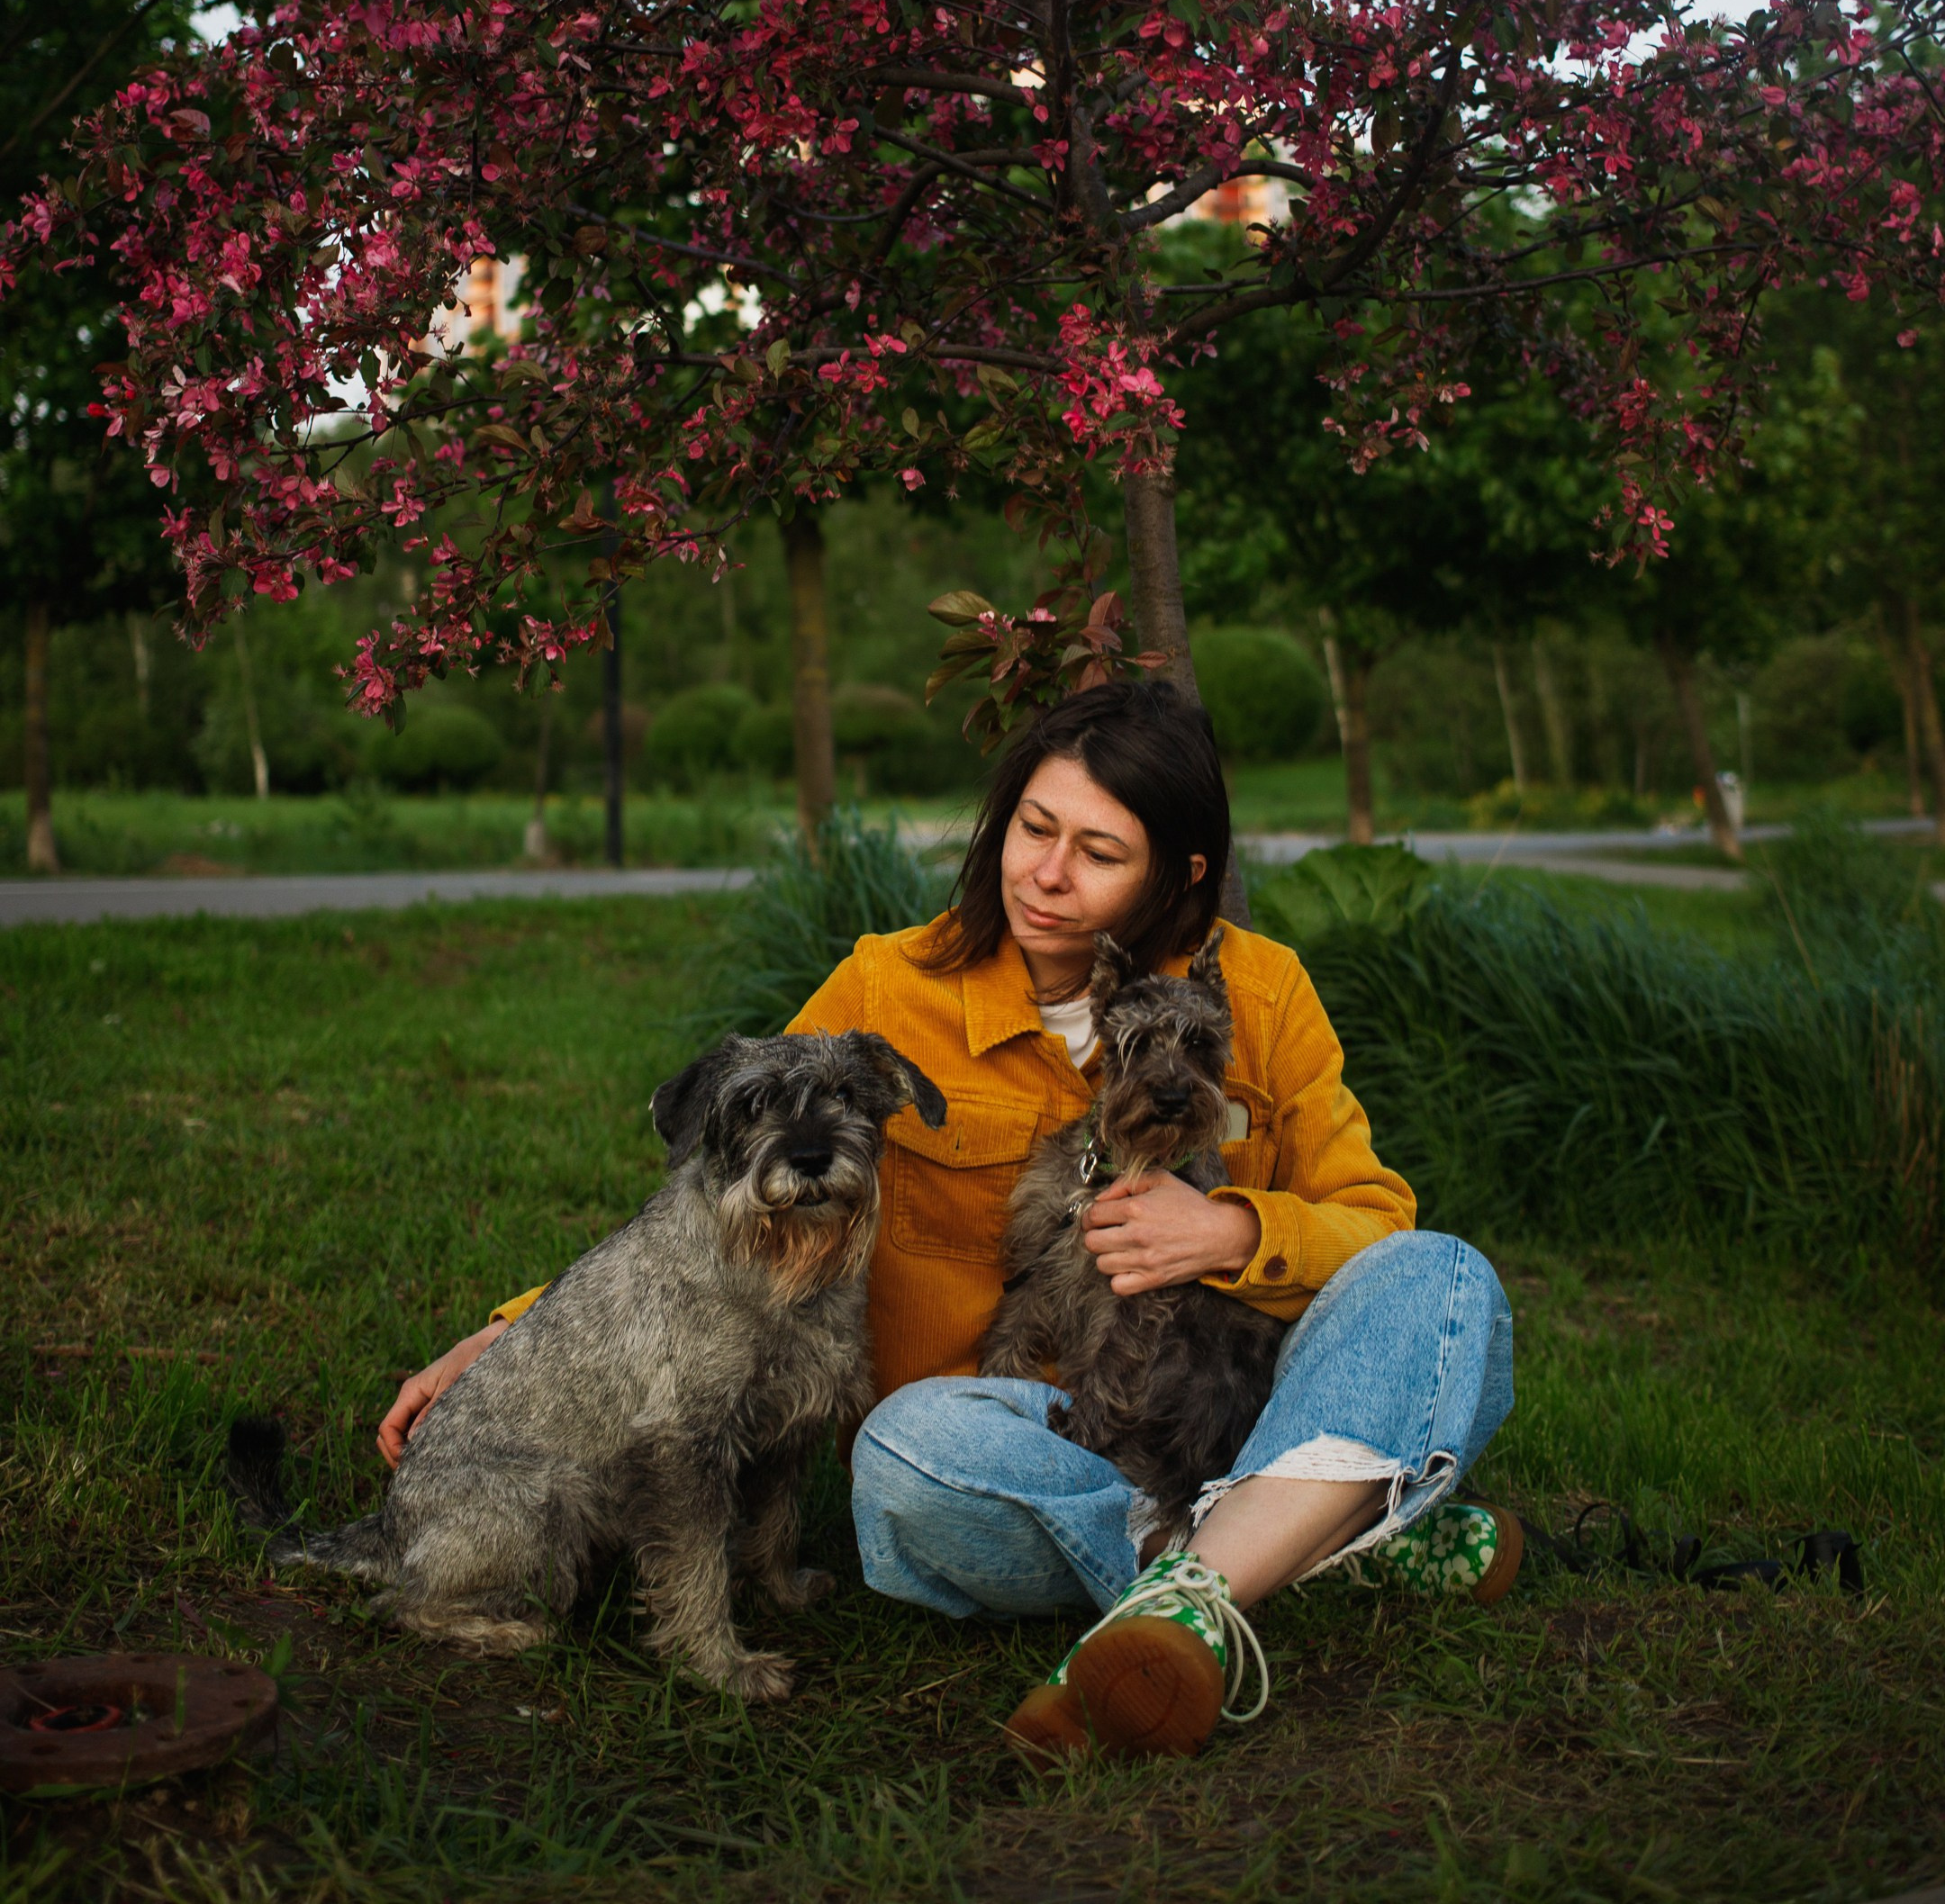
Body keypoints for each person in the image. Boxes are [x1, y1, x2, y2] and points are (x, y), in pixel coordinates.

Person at [380, 681, 1515, 1761]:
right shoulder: (888, 988)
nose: (1048, 875)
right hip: (1001, 1426)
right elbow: (708, 1192)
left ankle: (1197, 1584)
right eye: (1034, 828)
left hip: (1234, 1400)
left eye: (1101, 853)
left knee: (1446, 1277)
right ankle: (1307, 1533)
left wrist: (1232, 1233)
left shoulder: (1259, 993)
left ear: (1183, 872)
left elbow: (1377, 1221)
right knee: (904, 1461)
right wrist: (517, 1336)